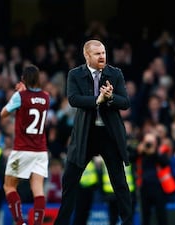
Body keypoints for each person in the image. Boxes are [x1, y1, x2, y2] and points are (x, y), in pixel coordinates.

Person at [53, 39, 133, 225]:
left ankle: (128, 222)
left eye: (103, 52)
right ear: (87, 56)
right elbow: (73, 99)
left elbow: (125, 102)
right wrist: (98, 99)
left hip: (109, 134)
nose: (102, 56)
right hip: (85, 134)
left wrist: (111, 97)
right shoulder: (75, 74)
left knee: (120, 183)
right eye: (97, 54)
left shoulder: (115, 73)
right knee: (70, 182)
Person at [0, 64, 50, 225]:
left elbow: (3, 114)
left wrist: (18, 93)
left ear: (23, 79)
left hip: (22, 150)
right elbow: (34, 99)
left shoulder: (20, 97)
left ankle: (20, 222)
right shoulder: (46, 97)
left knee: (9, 186)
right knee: (38, 190)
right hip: (41, 151)